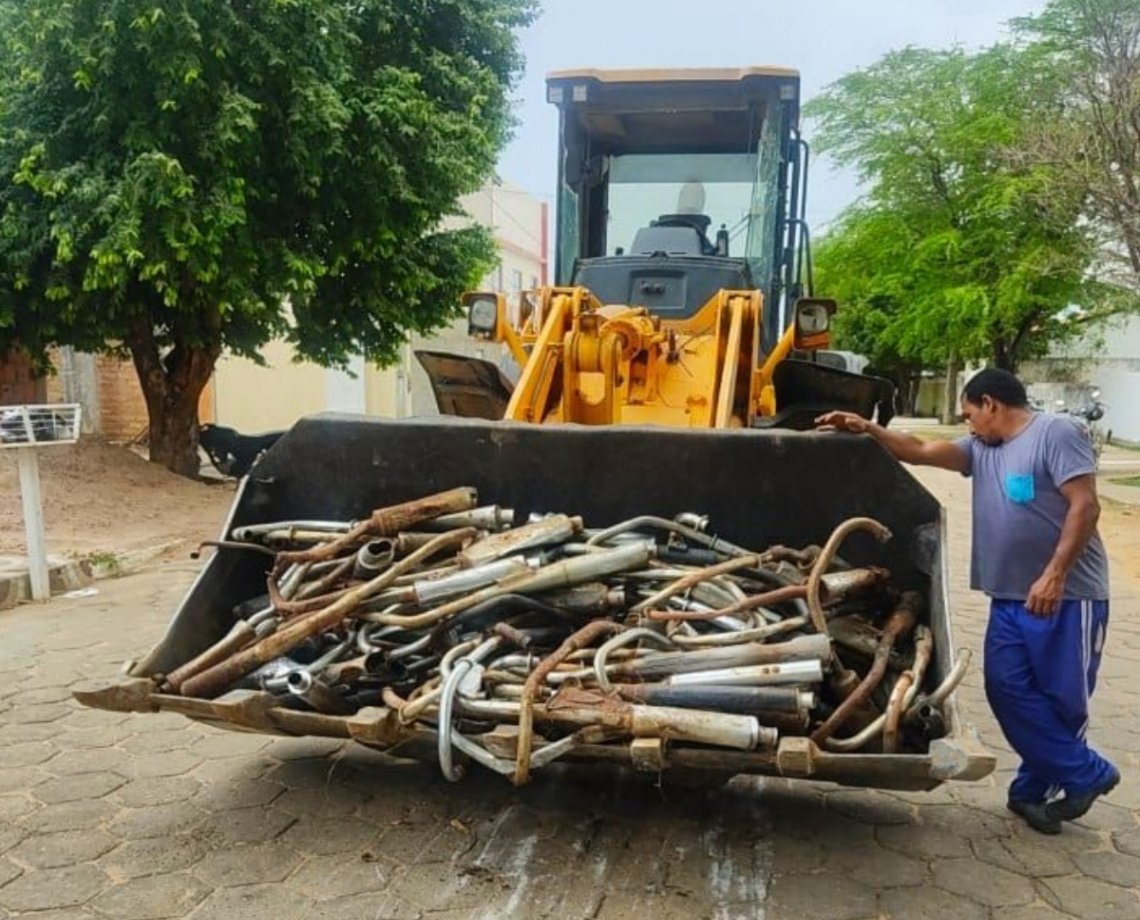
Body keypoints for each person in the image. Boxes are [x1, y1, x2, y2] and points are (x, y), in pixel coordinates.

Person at [817, 368, 1119, 835]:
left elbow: (1086, 505)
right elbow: (917, 451)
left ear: (991, 404)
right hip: (1008, 598)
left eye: (969, 413)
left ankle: (1032, 794)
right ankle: (1084, 773)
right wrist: (867, 427)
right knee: (1005, 689)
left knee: (1062, 702)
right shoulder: (981, 450)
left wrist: (1054, 575)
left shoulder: (1054, 434)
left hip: (1067, 598)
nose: (968, 424)